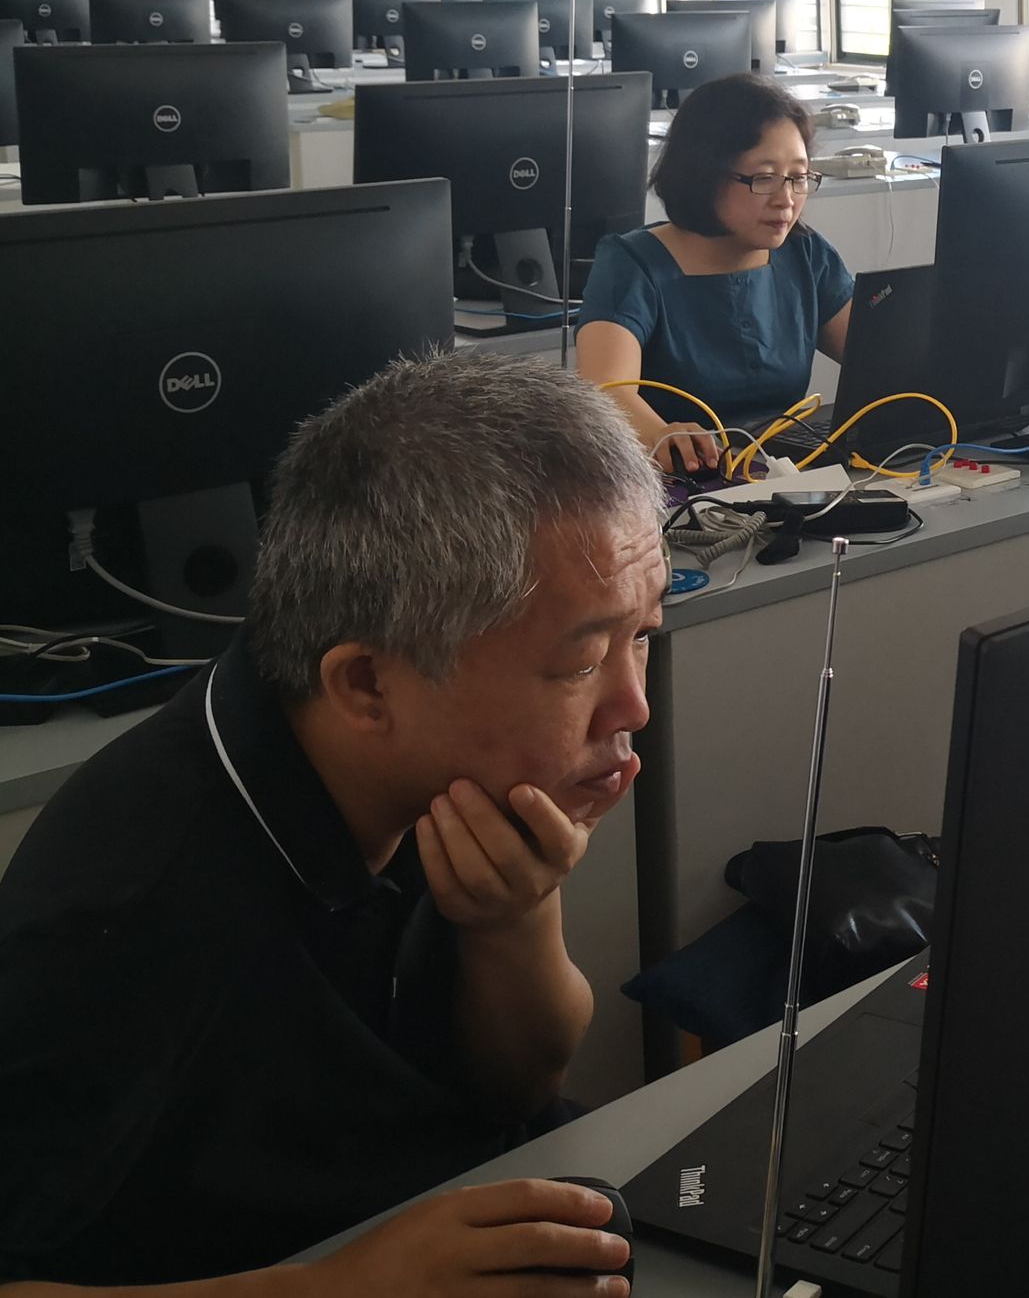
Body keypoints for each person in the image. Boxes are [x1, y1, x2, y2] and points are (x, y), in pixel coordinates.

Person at [0, 354, 660, 1294]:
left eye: (643, 636)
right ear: (366, 685)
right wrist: (335, 1289)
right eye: (582, 663)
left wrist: (513, 919)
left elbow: (514, 1090)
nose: (634, 706)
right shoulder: (124, 913)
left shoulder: (442, 782)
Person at [576, 71, 855, 473]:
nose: (786, 200)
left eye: (798, 178)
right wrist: (661, 433)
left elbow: (882, 358)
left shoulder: (806, 254)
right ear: (704, 174)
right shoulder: (633, 263)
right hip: (680, 480)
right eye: (764, 178)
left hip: (785, 473)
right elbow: (605, 390)